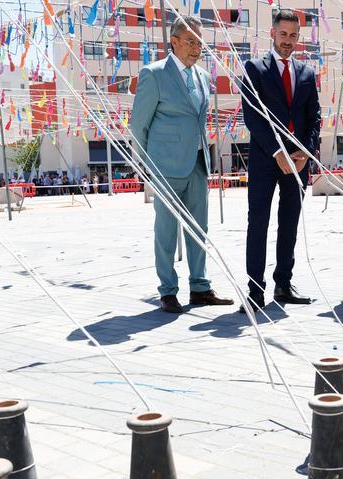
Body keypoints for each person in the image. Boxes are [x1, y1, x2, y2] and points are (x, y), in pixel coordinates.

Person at [130, 15, 233, 313]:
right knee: (166, 230)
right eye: (190, 41)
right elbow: (139, 125)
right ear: (173, 42)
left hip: (198, 163)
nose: (196, 47)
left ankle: (200, 287)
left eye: (200, 42)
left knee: (199, 229)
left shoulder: (202, 76)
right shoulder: (154, 74)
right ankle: (168, 291)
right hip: (166, 167)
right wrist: (152, 162)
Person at [239, 9, 321, 311]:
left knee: (289, 223)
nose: (288, 40)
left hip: (299, 162)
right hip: (265, 159)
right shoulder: (254, 68)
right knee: (258, 223)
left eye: (293, 36)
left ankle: (283, 284)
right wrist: (278, 153)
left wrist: (304, 152)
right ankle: (255, 290)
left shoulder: (307, 73)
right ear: (272, 34)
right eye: (283, 34)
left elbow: (314, 118)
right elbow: (253, 117)